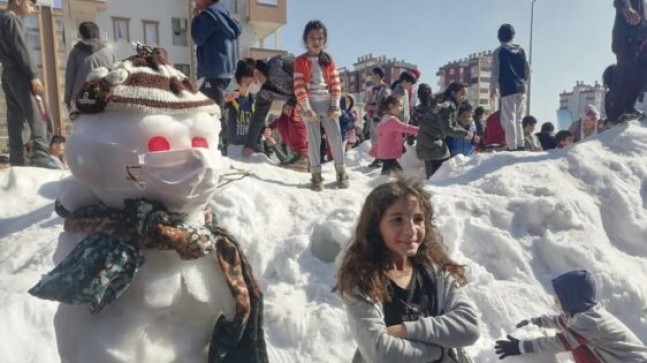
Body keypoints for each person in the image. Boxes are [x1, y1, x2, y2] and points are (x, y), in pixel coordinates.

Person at [334, 178, 480, 363]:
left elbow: (470, 327)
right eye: (397, 220)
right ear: (376, 227)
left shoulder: (435, 274)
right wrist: (439, 351)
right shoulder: (363, 281)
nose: (411, 230)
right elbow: (382, 353)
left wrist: (405, 330)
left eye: (418, 219)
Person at [495, 270, 647, 362]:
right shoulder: (579, 314)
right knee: (575, 341)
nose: (555, 301)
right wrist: (536, 321)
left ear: (572, 299)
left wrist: (521, 346)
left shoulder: (591, 320)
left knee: (572, 341)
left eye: (558, 298)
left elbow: (560, 342)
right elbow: (559, 321)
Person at [293, 20, 348, 191]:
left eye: (319, 38)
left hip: (328, 103)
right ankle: (316, 175)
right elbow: (299, 86)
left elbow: (335, 84)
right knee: (314, 140)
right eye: (312, 37)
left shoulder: (328, 60)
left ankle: (341, 172)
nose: (316, 41)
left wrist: (335, 104)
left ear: (324, 40)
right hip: (310, 103)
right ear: (305, 39)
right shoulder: (300, 61)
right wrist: (307, 108)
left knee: (335, 138)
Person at [0, 0, 55, 168]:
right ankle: (40, 155)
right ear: (18, 1)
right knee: (41, 113)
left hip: (8, 73)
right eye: (31, 5)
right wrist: (33, 75)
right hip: (22, 72)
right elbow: (21, 47)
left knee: (15, 117)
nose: (32, 9)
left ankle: (17, 158)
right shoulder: (12, 19)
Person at [191, 0, 242, 156]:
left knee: (211, 112)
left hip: (212, 73)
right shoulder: (225, 15)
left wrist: (195, 18)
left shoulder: (209, 15)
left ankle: (219, 150)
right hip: (225, 74)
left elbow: (198, 37)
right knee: (219, 110)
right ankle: (223, 148)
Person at [238, 54, 296, 157]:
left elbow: (304, 79)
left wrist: (292, 102)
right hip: (300, 101)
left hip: (315, 91)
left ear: (255, 73)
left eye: (248, 83)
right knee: (283, 121)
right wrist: (249, 146)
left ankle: (302, 154)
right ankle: (296, 155)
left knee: (293, 115)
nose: (249, 88)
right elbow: (258, 118)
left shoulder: (277, 66)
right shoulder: (263, 92)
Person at [417, 82, 475, 179]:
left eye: (465, 94)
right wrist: (465, 134)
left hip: (429, 141)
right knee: (435, 178)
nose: (464, 97)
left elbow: (452, 123)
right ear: (453, 93)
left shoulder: (445, 102)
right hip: (432, 142)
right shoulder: (448, 106)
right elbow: (447, 129)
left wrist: (464, 132)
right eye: (462, 93)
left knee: (436, 173)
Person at [490, 23, 530, 151]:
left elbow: (495, 71)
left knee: (509, 118)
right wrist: (523, 82)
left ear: (499, 37)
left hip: (508, 88)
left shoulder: (499, 51)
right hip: (522, 88)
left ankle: (512, 146)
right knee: (519, 118)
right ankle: (521, 144)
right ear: (513, 35)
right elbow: (527, 70)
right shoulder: (521, 50)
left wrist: (492, 88)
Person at [607, 0, 647, 124]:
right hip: (624, 39)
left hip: (640, 42)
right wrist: (627, 9)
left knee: (642, 74)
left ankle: (630, 107)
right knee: (628, 72)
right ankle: (617, 113)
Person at [64, 21, 116, 112]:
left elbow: (69, 78)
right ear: (98, 35)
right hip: (105, 101)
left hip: (81, 102)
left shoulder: (75, 52)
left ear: (81, 35)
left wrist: (68, 100)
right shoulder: (109, 53)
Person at [369, 95, 419, 175]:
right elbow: (405, 127)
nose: (401, 108)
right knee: (400, 174)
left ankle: (383, 183)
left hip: (384, 152)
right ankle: (396, 185)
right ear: (391, 106)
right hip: (389, 153)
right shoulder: (392, 121)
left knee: (388, 172)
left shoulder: (384, 119)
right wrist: (419, 130)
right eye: (399, 105)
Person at [266, 98, 308, 171]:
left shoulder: (297, 120)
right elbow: (273, 124)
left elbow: (296, 112)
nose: (288, 110)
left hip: (302, 155)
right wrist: (268, 129)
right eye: (286, 107)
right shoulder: (282, 120)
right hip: (293, 153)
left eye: (291, 108)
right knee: (284, 166)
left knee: (291, 168)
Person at [364, 66, 392, 167]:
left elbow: (384, 104)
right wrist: (367, 107)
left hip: (380, 118)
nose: (371, 77)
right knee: (374, 139)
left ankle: (382, 159)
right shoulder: (373, 89)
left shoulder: (385, 88)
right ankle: (377, 158)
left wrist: (370, 107)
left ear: (377, 75)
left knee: (380, 139)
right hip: (372, 117)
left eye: (372, 74)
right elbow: (370, 101)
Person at [224, 59, 255, 146]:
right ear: (238, 78)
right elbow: (221, 103)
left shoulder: (255, 98)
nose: (247, 80)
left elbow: (260, 121)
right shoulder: (231, 97)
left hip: (251, 144)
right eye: (244, 77)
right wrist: (228, 97)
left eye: (250, 76)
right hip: (235, 143)